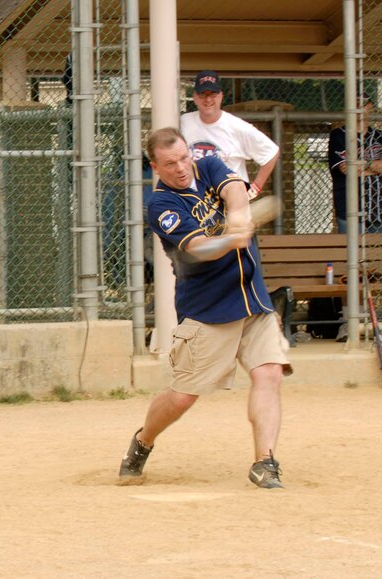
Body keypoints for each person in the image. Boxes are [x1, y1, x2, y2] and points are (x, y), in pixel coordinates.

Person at [117, 127, 292, 489]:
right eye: (170, 163)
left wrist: (240, 215)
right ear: (155, 166)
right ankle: (143, 441)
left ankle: (265, 462)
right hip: (209, 309)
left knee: (269, 373)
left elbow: (235, 191)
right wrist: (229, 239)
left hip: (252, 298)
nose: (181, 167)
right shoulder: (162, 206)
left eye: (184, 158)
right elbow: (199, 249)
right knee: (182, 397)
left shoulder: (209, 165)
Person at [180, 70, 280, 200]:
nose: (208, 99)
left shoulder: (237, 127)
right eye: (203, 94)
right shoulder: (184, 122)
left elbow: (271, 152)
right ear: (195, 97)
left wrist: (255, 188)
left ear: (221, 96)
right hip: (195, 203)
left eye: (213, 94)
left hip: (229, 204)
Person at [328, 91, 382, 234]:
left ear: (370, 106)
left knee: (375, 254)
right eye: (355, 104)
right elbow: (346, 169)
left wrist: (362, 164)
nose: (359, 108)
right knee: (350, 253)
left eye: (363, 104)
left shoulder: (380, 136)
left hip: (380, 207)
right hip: (350, 208)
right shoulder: (339, 136)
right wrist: (377, 167)